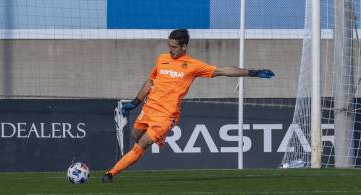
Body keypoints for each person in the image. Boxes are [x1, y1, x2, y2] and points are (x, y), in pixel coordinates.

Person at [102, 29, 274, 183]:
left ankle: (110, 174)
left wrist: (252, 72)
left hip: (166, 115)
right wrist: (135, 102)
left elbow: (223, 70)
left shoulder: (193, 66)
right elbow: (150, 81)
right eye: (169, 46)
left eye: (174, 47)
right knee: (135, 135)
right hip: (149, 108)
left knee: (142, 144)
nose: (170, 49)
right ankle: (155, 139)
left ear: (184, 46)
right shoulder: (162, 59)